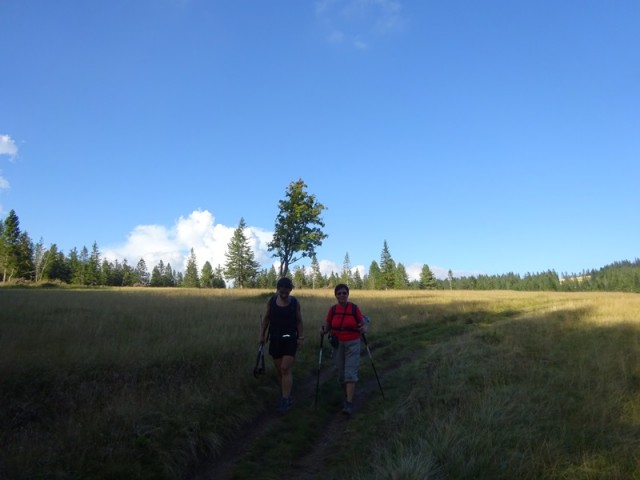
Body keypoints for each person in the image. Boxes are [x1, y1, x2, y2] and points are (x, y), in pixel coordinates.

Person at [259, 277, 304, 414]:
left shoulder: (294, 303)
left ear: (290, 290)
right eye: (281, 292)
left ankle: (284, 400)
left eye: (287, 292)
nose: (284, 295)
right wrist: (262, 335)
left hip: (290, 339)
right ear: (278, 290)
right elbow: (266, 319)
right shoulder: (271, 301)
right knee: (280, 371)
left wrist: (300, 338)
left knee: (285, 368)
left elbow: (299, 321)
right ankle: (287, 395)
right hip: (275, 339)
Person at [320, 283, 367, 416]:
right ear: (335, 295)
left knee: (350, 372)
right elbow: (328, 326)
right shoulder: (333, 310)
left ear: (348, 294)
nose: (341, 295)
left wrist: (364, 328)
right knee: (341, 373)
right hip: (337, 344)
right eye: (339, 293)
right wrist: (323, 331)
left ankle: (349, 403)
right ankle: (347, 395)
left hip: (353, 342)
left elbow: (363, 323)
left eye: (344, 293)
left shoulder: (354, 308)